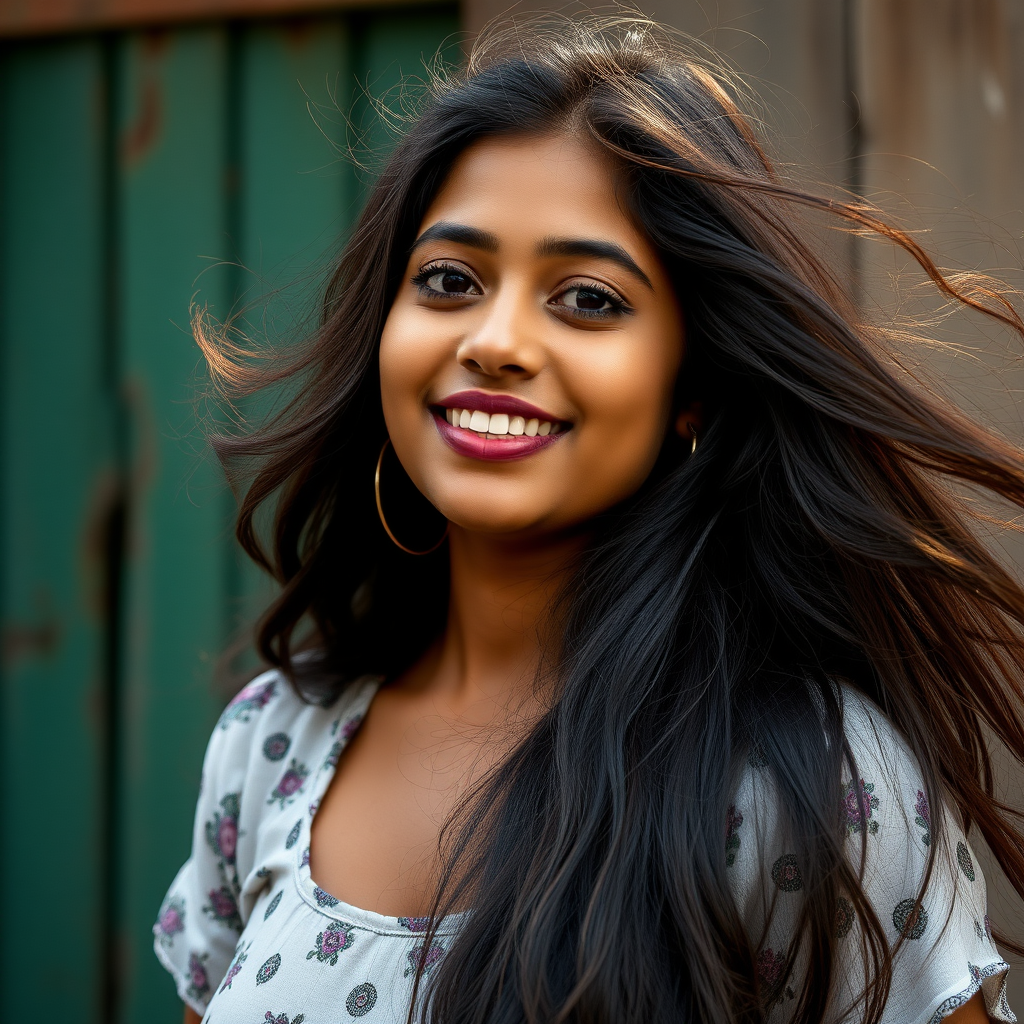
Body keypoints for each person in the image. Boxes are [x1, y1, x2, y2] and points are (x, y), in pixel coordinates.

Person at [153, 13, 1024, 1024]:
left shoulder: (808, 785)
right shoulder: (271, 746)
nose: (496, 340)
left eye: (587, 299)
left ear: (689, 386)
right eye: (447, 280)